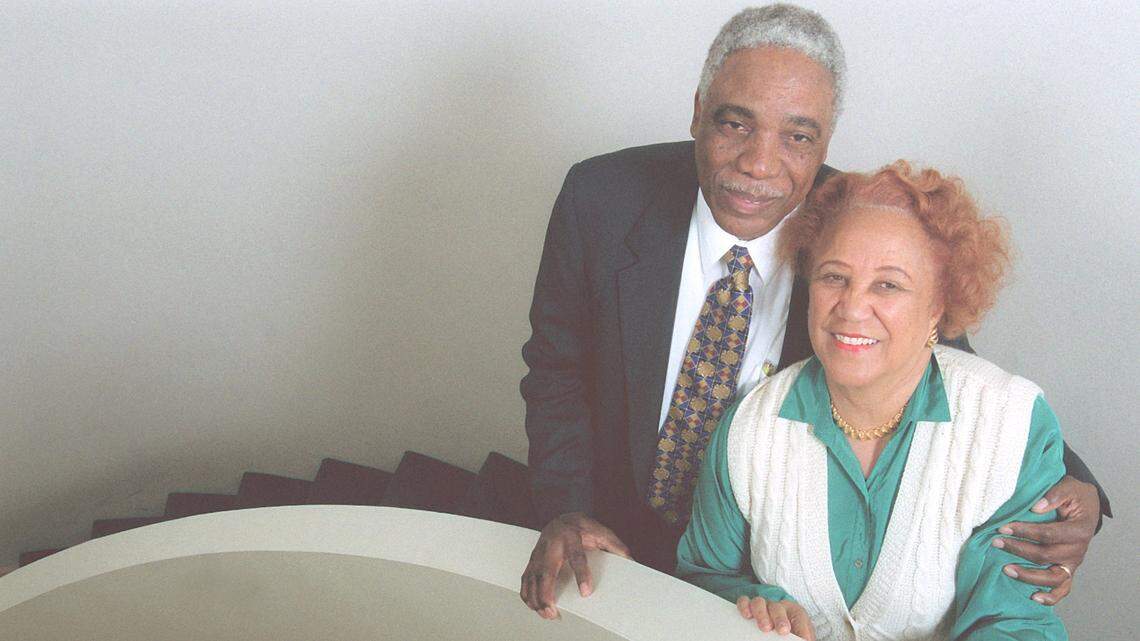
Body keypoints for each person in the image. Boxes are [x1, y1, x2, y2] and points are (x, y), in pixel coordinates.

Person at [518, 4, 1108, 620]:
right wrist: (565, 506)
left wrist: (1068, 480)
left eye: (798, 137)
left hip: (762, 582)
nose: (760, 164)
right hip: (614, 548)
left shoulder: (849, 227)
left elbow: (932, 346)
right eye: (735, 124)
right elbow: (555, 369)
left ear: (826, 142)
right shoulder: (601, 200)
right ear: (697, 111)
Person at [677, 161, 1069, 640]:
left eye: (888, 285)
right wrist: (753, 603)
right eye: (834, 277)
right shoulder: (748, 429)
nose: (853, 307)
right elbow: (701, 579)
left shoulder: (1012, 423)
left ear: (939, 304)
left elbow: (1017, 624)